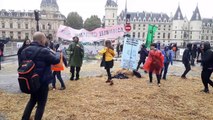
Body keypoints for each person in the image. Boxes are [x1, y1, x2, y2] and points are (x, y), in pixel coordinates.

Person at [20, 32, 60, 120]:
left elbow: (21, 64)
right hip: (42, 81)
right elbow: (56, 61)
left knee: (32, 100)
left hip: (30, 80)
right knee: (41, 104)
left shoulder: (25, 50)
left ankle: (24, 118)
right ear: (42, 40)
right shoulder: (44, 51)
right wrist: (55, 52)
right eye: (45, 38)